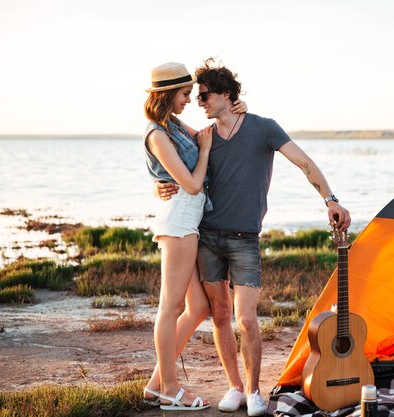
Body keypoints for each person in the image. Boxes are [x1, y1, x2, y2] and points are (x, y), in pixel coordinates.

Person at [155, 58, 351, 416]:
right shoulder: (204, 138)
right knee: (218, 315)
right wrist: (162, 186)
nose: (198, 102)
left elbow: (303, 162)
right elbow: (177, 168)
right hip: (208, 237)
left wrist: (330, 198)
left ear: (226, 94)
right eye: (195, 96)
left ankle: (254, 391)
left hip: (246, 239)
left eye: (204, 96)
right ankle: (233, 387)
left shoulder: (264, 128)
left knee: (245, 318)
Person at [141, 61, 247, 411]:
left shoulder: (171, 125)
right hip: (179, 222)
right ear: (169, 94)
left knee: (198, 306)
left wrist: (237, 109)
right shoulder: (156, 134)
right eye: (186, 94)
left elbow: (208, 133)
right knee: (170, 306)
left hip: (189, 221)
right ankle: (169, 388)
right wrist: (201, 154)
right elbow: (190, 183)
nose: (190, 100)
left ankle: (157, 383)